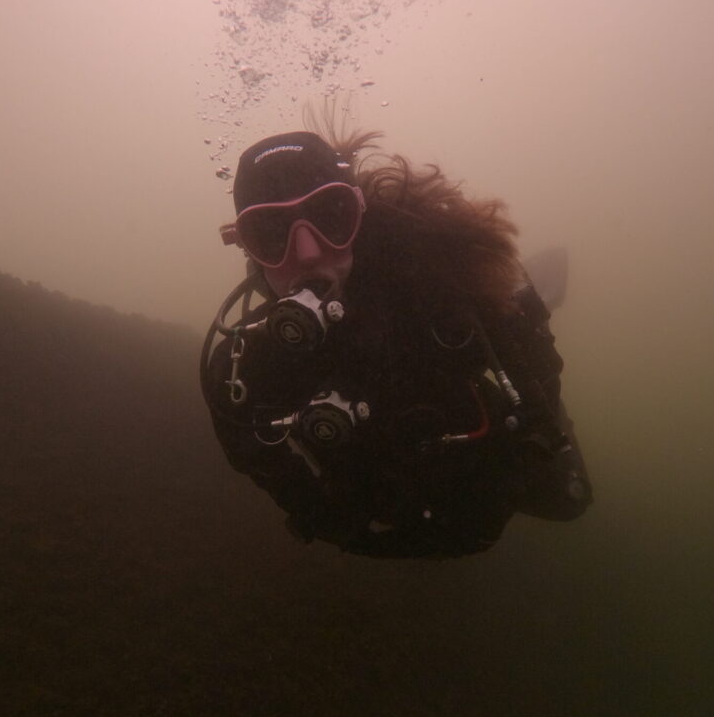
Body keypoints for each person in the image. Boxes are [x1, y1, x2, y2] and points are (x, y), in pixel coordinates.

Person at [200, 127, 592, 558]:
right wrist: (320, 515)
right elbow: (249, 447)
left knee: (568, 500)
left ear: (360, 214)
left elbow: (535, 373)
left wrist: (528, 445)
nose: (309, 253)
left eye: (331, 217)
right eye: (272, 234)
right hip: (381, 478)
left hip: (469, 449)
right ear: (247, 249)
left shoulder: (436, 288)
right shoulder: (242, 367)